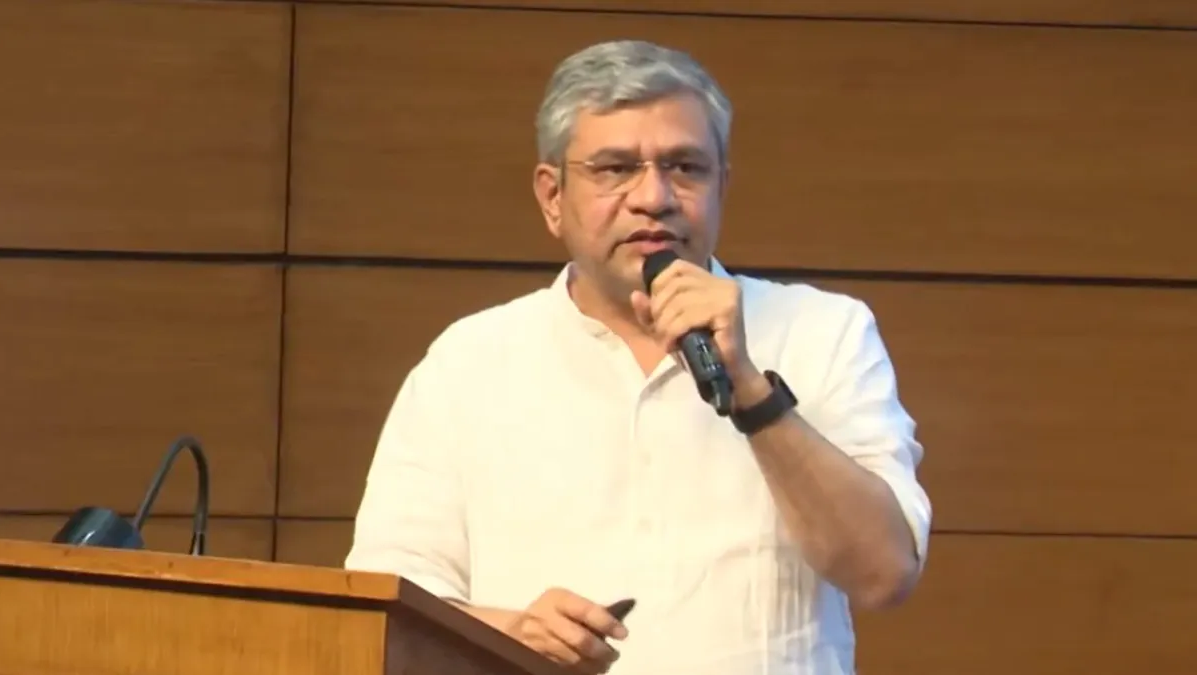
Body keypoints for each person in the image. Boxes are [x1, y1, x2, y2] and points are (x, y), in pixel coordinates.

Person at [345, 39, 931, 675]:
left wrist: (750, 391)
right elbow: (386, 611)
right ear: (552, 197)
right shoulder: (468, 362)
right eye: (615, 169)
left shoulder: (823, 332)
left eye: (686, 167)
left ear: (722, 185)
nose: (654, 197)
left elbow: (883, 573)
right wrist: (512, 632)